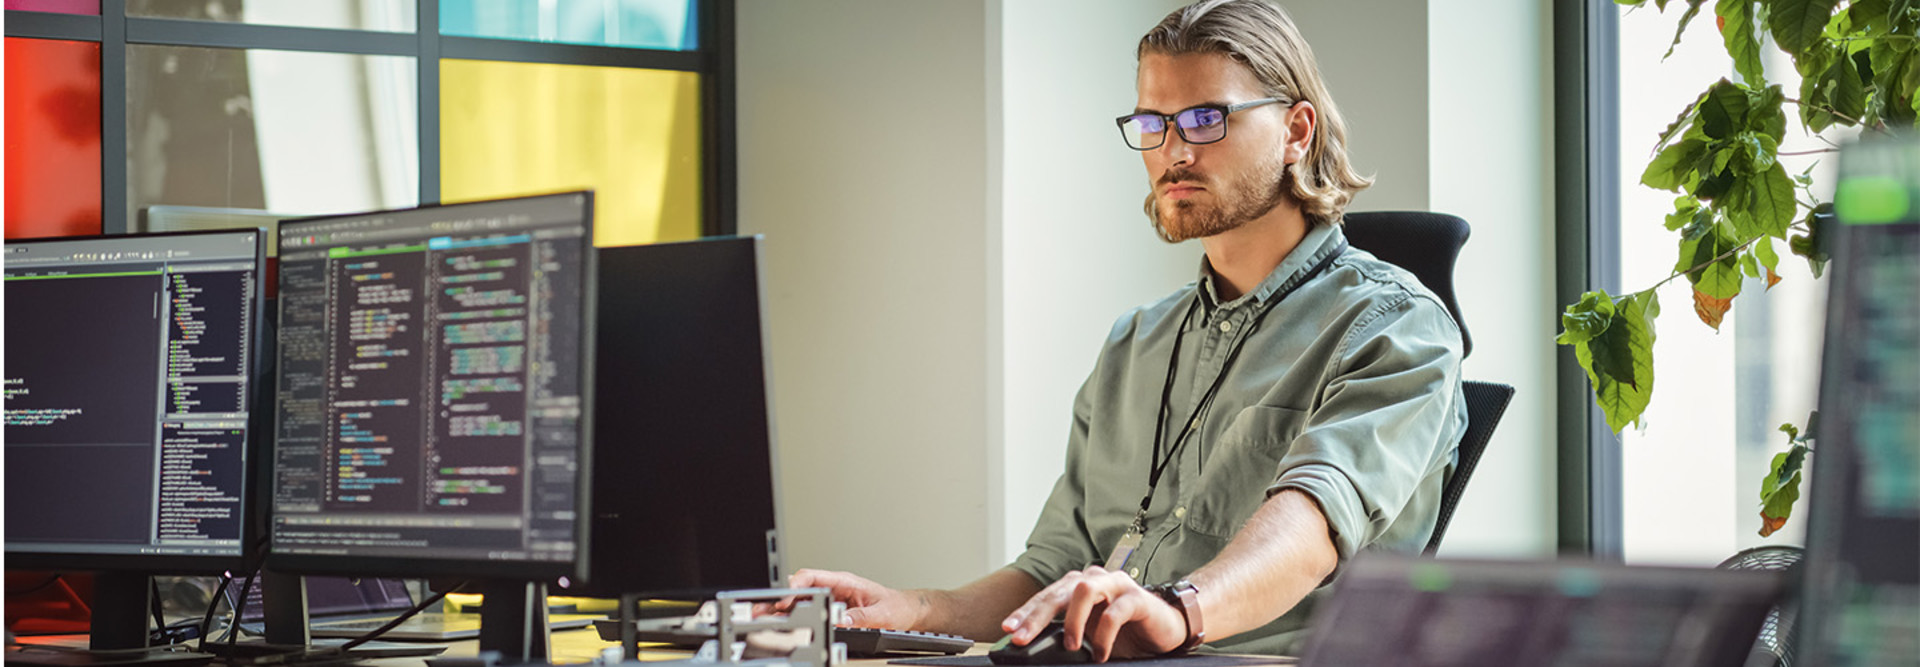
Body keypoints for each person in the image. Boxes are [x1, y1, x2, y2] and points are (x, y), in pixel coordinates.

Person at [782, 0, 1466, 658]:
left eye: (1205, 119)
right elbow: (1051, 567)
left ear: (1295, 131)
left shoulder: (1398, 328)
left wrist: (1175, 610)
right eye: (1152, 123)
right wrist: (914, 611)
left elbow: (1313, 522)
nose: (1174, 152)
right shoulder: (1136, 342)